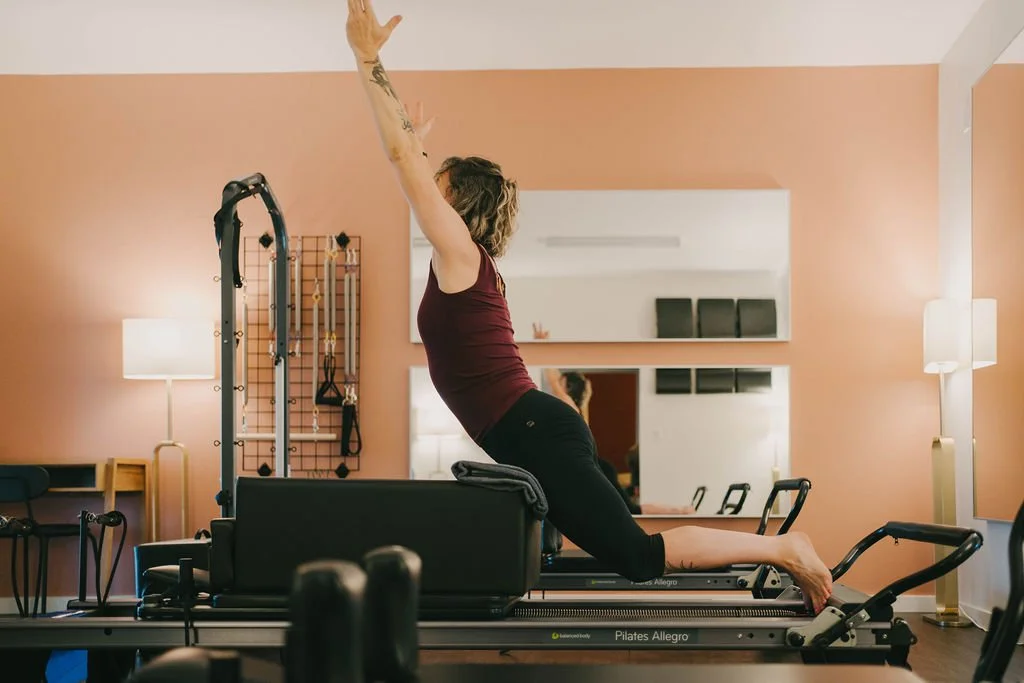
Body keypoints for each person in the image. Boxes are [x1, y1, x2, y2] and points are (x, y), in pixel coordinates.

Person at [345, 0, 833, 613]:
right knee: (625, 549)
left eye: (438, 191)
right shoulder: (466, 264)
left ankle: (786, 548)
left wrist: (367, 58)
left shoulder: (462, 254)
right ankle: (782, 549)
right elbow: (406, 164)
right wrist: (413, 147)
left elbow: (401, 163)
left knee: (637, 556)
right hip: (531, 429)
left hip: (533, 431)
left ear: (460, 205)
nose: (426, 199)